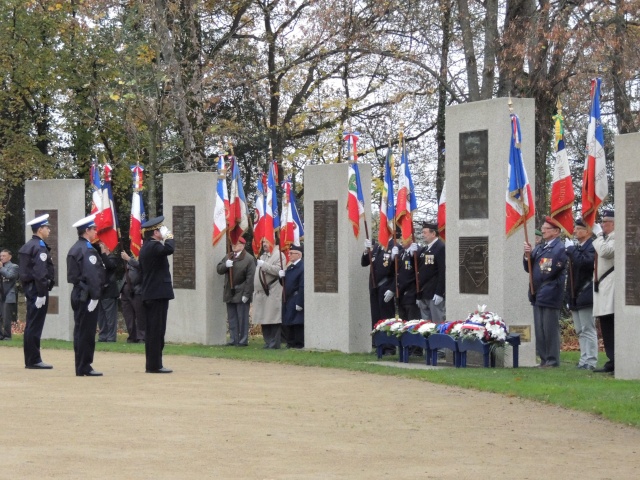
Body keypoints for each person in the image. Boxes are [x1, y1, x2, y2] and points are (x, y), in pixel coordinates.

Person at [523, 217, 567, 368]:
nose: (542, 230)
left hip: (550, 292)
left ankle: (552, 360)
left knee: (549, 329)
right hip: (537, 293)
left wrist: (535, 258)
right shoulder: (541, 247)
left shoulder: (559, 248)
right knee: (540, 329)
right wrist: (527, 254)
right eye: (543, 227)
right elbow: (528, 267)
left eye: (546, 228)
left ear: (556, 232)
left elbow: (546, 270)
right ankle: (543, 359)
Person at [66, 214, 106, 376]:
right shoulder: (87, 250)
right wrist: (95, 296)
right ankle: (84, 366)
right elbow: (92, 275)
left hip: (79, 292)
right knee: (86, 332)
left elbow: (72, 276)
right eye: (94, 229)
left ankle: (81, 365)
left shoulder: (75, 248)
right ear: (87, 231)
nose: (96, 231)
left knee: (80, 330)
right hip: (86, 295)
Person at [18, 214, 55, 369]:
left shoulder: (28, 245)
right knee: (35, 325)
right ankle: (34, 359)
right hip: (37, 289)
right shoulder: (39, 247)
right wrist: (41, 293)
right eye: (47, 227)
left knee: (31, 324)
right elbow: (40, 273)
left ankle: (30, 359)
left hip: (30, 288)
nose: (49, 231)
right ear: (40, 229)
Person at [139, 216, 175, 373]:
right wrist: (169, 237)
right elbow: (169, 249)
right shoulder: (153, 246)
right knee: (156, 331)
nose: (164, 231)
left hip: (152, 293)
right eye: (161, 229)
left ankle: (153, 364)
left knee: (154, 330)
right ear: (155, 232)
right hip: (156, 294)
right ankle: (155, 365)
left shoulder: (147, 246)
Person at [565, 217, 597, 371]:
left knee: (588, 328)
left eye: (578, 229)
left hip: (586, 292)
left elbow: (585, 264)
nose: (575, 231)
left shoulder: (592, 246)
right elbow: (571, 273)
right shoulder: (578, 247)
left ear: (587, 231)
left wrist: (571, 250)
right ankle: (584, 359)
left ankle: (591, 361)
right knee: (579, 329)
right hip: (575, 294)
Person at [216, 237, 255, 347]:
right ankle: (234, 339)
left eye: (236, 244)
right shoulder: (229, 256)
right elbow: (219, 269)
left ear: (242, 245)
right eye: (233, 243)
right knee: (232, 317)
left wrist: (247, 294)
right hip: (230, 291)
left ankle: (243, 340)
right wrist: (225, 265)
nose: (234, 245)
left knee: (242, 318)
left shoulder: (249, 259)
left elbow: (250, 278)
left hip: (241, 290)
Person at [593, 210, 615, 373]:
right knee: (606, 325)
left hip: (611, 286)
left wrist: (599, 236)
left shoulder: (616, 237)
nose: (602, 224)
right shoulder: (606, 239)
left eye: (605, 222)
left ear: (613, 223)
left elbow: (606, 252)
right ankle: (611, 359)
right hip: (603, 286)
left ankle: (616, 359)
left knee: (611, 324)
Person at [253, 239, 286, 349]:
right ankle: (267, 342)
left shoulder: (279, 255)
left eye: (267, 242)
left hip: (272, 291)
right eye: (263, 243)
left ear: (274, 243)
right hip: (261, 294)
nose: (264, 245)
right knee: (264, 318)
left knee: (273, 319)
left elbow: (279, 270)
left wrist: (265, 265)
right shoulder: (263, 256)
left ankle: (274, 343)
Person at [361, 238, 395, 328]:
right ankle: (376, 341)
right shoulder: (376, 247)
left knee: (386, 320)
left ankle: (387, 342)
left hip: (385, 287)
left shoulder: (394, 247)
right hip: (374, 289)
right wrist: (366, 251)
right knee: (375, 320)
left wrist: (392, 289)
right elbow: (364, 262)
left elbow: (398, 272)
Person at [417, 222, 446, 323]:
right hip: (424, 293)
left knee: (437, 325)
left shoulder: (440, 247)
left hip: (434, 294)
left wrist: (439, 292)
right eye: (422, 233)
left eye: (425, 233)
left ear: (433, 234)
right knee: (426, 327)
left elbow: (443, 271)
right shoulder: (425, 249)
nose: (423, 235)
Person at [282, 244, 304, 348]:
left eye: (291, 253)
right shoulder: (291, 266)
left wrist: (300, 302)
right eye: (289, 253)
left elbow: (302, 286)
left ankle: (298, 343)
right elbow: (286, 283)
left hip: (296, 297)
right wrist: (281, 277)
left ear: (299, 255)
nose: (289, 255)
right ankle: (290, 343)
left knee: (297, 322)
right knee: (289, 320)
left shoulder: (301, 267)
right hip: (289, 297)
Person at [120, 250, 145, 343]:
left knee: (140, 314)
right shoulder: (132, 253)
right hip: (126, 289)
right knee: (128, 315)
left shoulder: (144, 253)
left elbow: (142, 266)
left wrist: (129, 259)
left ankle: (141, 337)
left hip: (137, 289)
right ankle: (132, 336)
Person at [97, 242, 119, 342]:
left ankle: (111, 337)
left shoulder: (112, 258)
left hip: (109, 291)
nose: (102, 249)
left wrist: (103, 254)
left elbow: (110, 266)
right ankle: (103, 335)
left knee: (110, 317)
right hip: (100, 292)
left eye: (104, 247)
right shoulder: (100, 259)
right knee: (101, 316)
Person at [394, 238, 421, 320]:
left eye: (404, 238)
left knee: (412, 324)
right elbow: (397, 273)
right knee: (403, 325)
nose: (401, 241)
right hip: (401, 295)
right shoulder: (401, 253)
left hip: (410, 294)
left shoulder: (416, 253)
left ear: (411, 240)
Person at [0, 249, 20, 340]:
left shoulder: (14, 266)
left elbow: (10, 276)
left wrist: (1, 268)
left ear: (10, 257)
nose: (2, 258)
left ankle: (7, 336)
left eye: (4, 256)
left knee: (6, 316)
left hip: (8, 295)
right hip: (1, 294)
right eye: (1, 256)